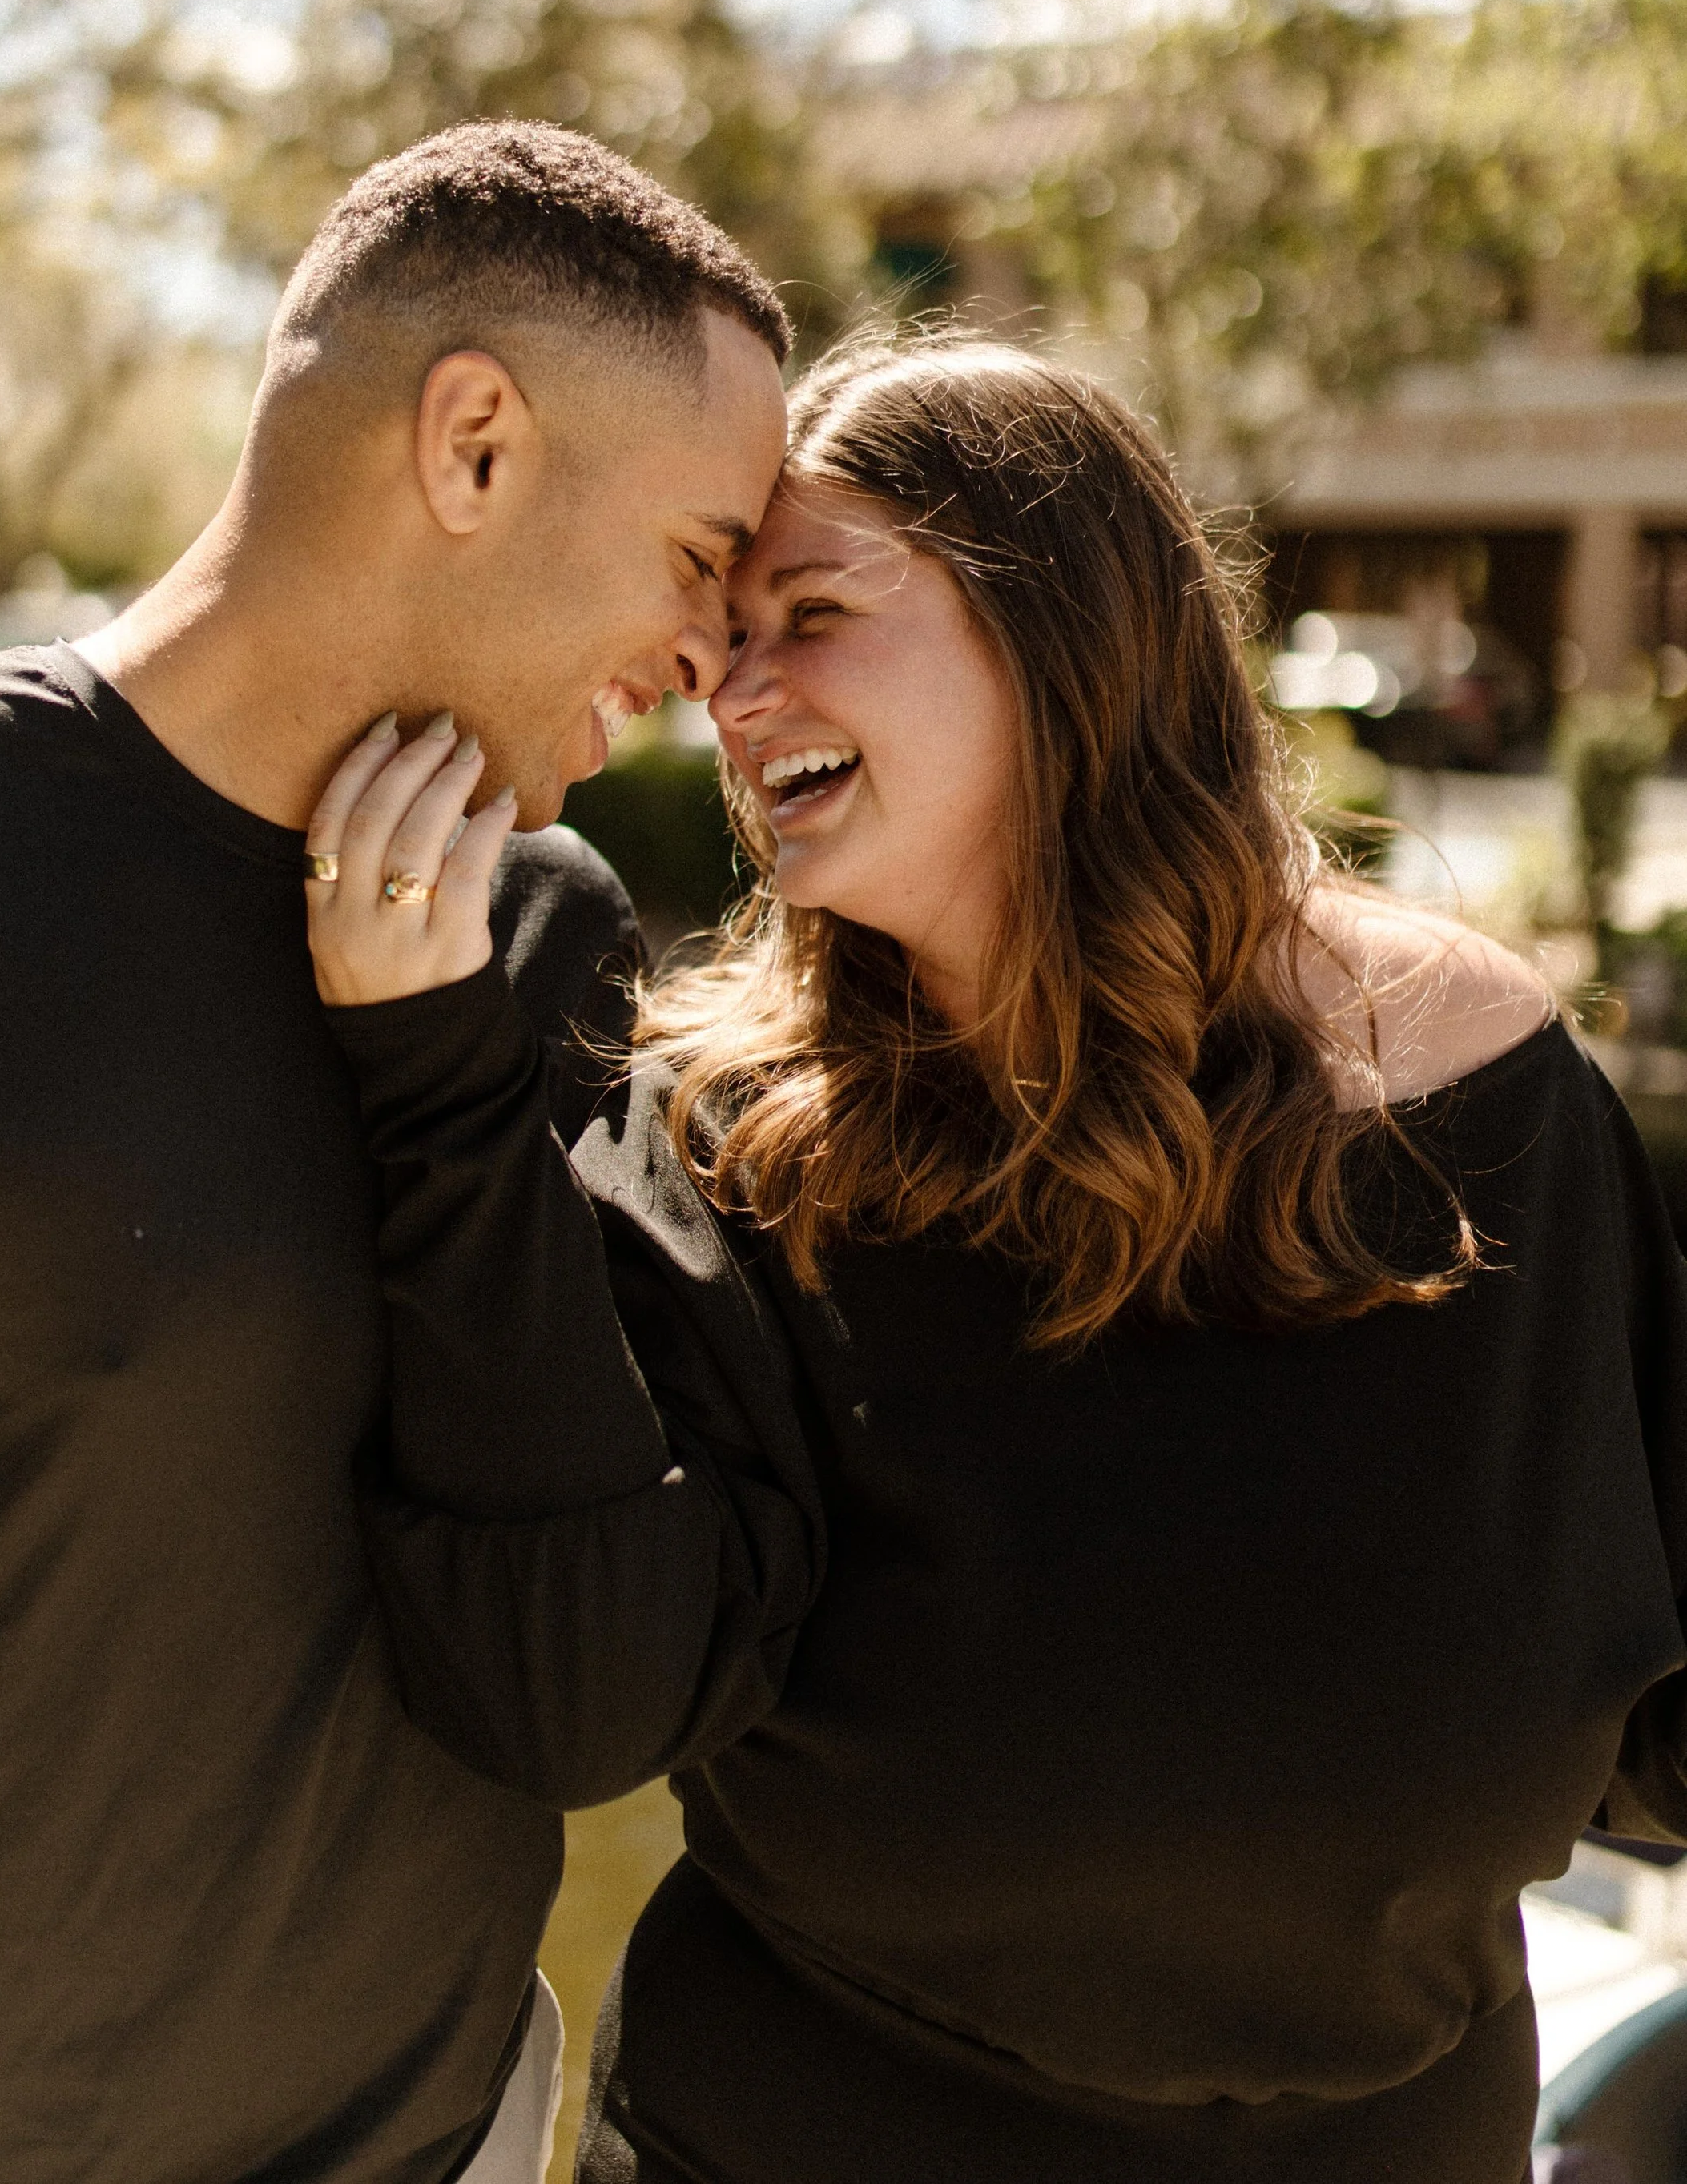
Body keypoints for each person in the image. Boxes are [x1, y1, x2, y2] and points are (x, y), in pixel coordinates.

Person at [339, 330, 1687, 2184]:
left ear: (1064, 624)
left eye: (807, 611)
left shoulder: (1482, 1082)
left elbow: (1647, 1691)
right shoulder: (718, 1138)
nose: (734, 695)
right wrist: (426, 1088)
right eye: (724, 639)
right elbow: (573, 1696)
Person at [0, 121, 822, 2184]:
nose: (707, 669)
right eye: (692, 559)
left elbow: (590, 1656)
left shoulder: (549, 939)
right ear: (471, 445)